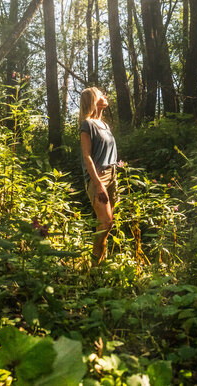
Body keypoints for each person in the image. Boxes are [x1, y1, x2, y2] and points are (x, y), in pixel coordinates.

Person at [79, 86, 120, 265]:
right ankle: (95, 265)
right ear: (93, 100)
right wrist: (98, 184)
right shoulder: (87, 124)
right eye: (100, 94)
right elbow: (87, 156)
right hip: (99, 177)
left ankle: (100, 263)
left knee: (107, 224)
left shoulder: (105, 125)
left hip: (112, 174)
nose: (105, 96)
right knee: (105, 222)